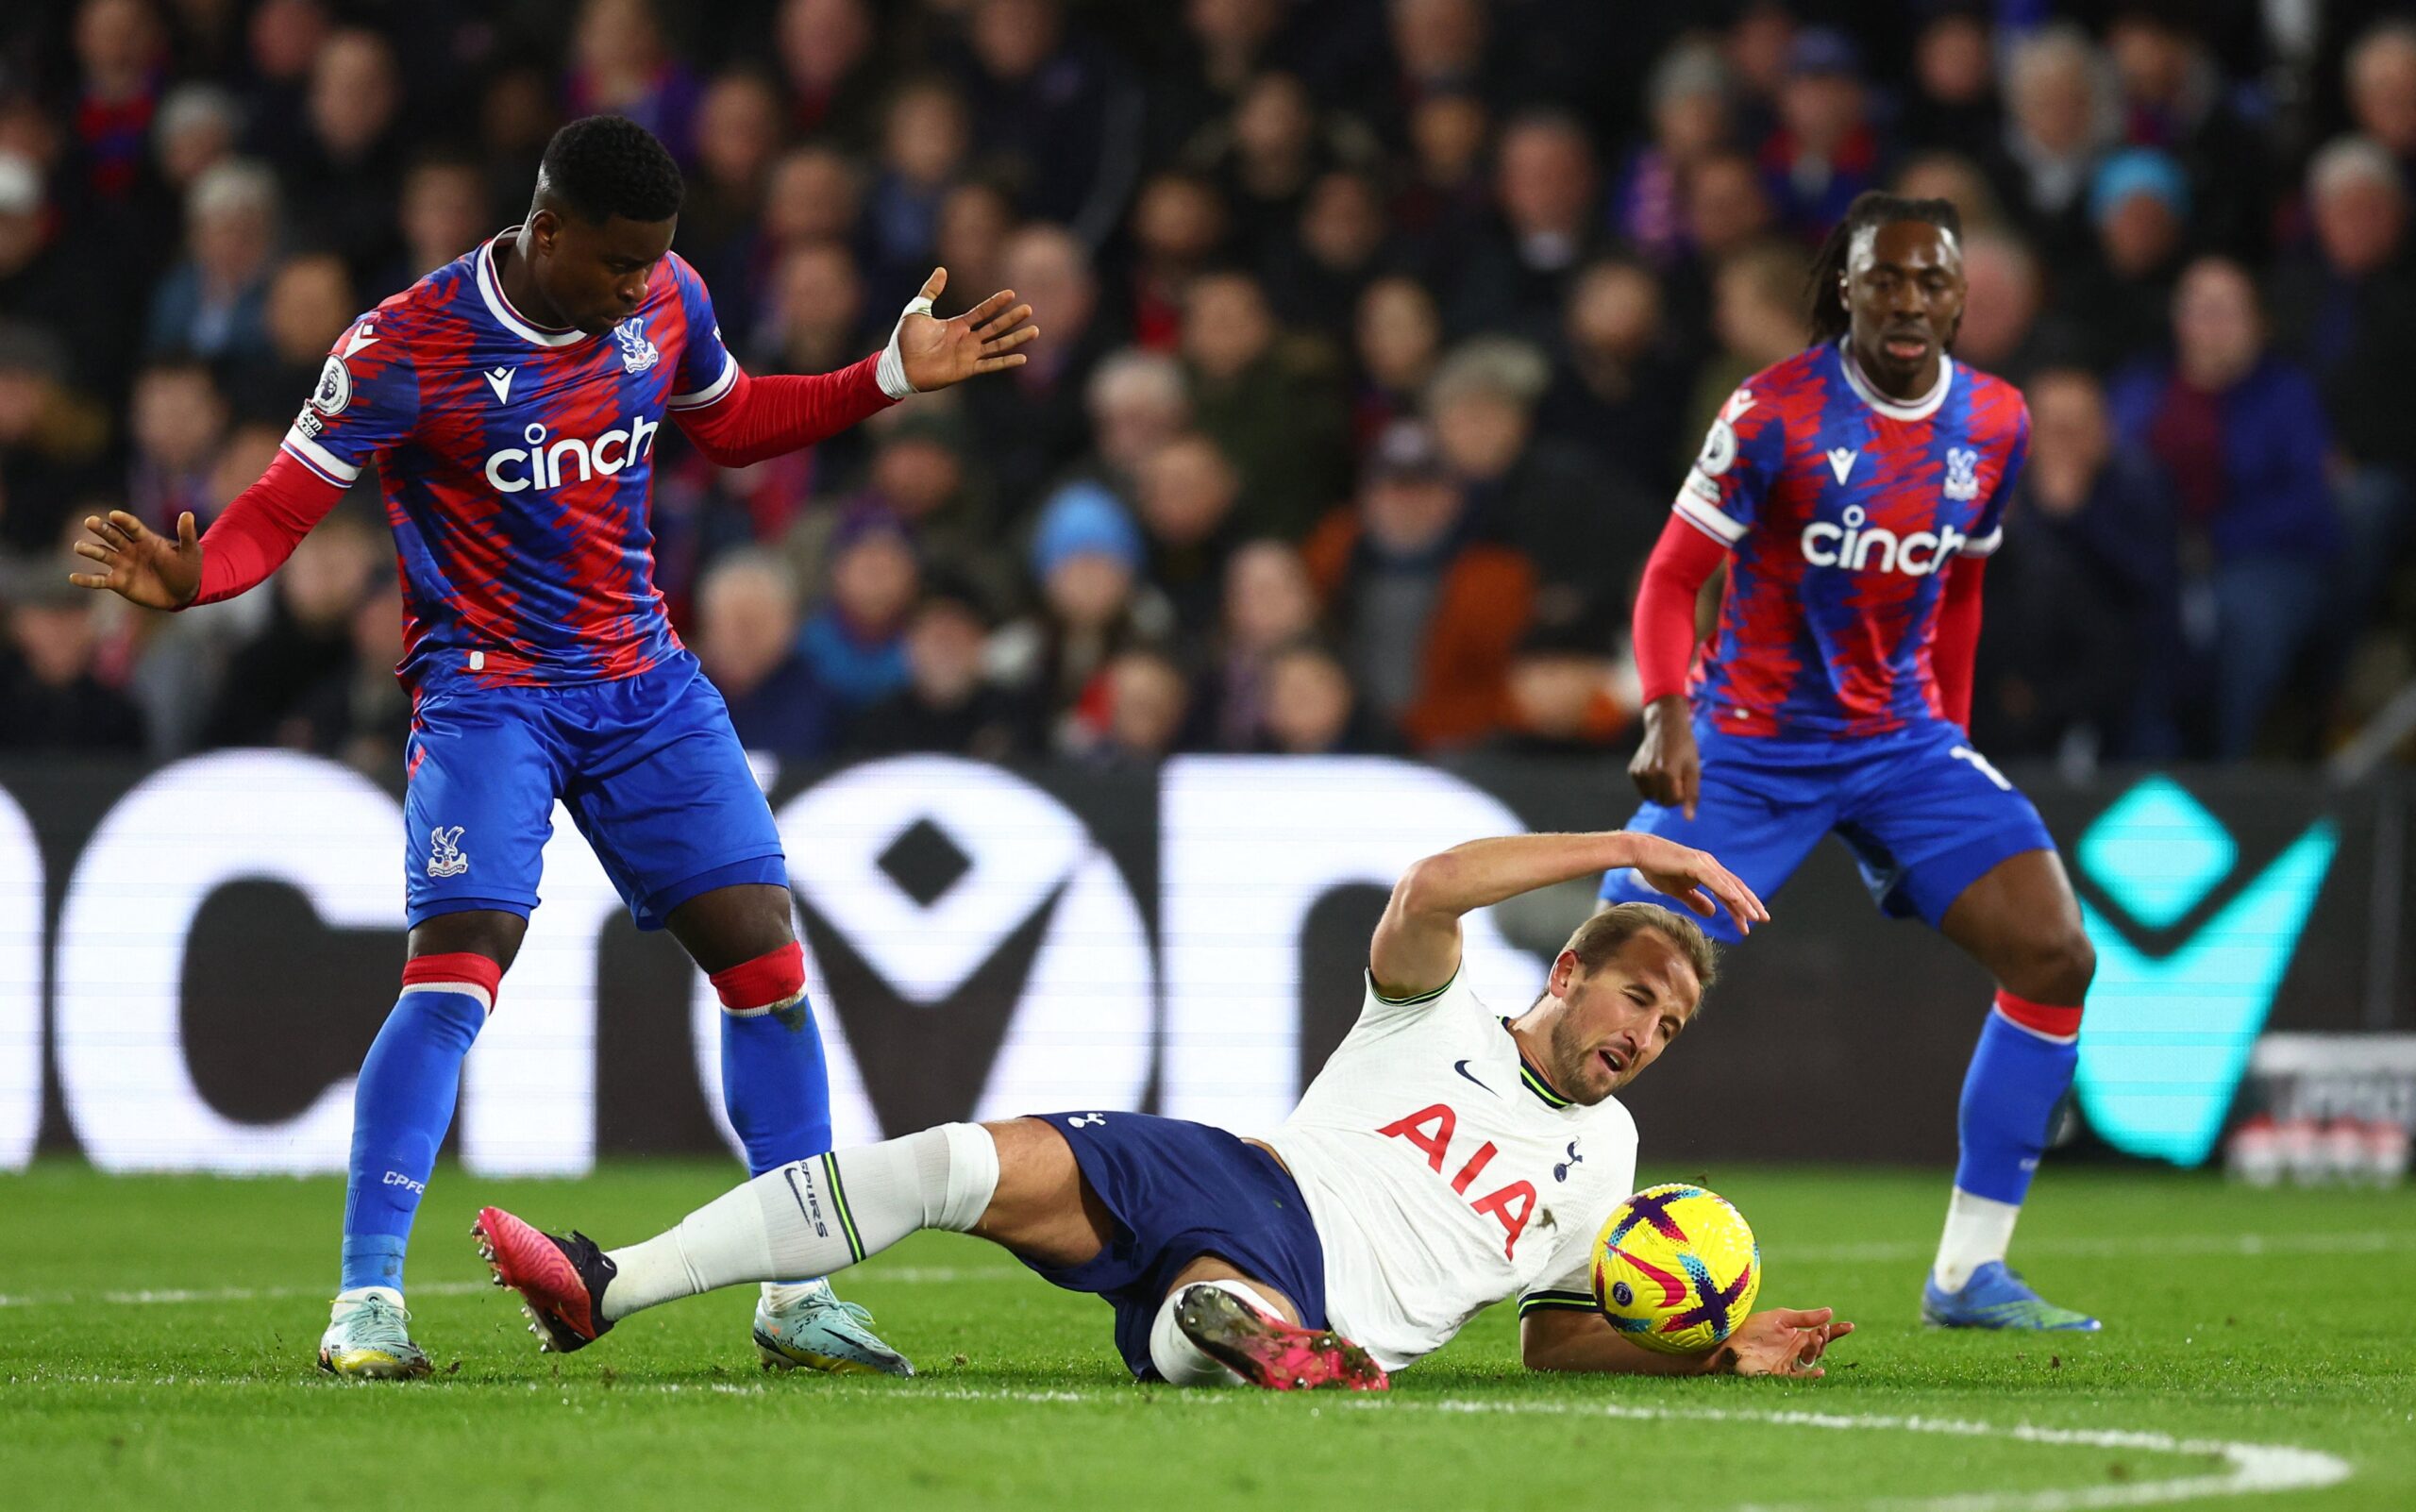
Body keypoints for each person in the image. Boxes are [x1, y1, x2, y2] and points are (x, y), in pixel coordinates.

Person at [65, 115, 1038, 1380]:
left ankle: (799, 1293)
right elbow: (275, 515)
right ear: (546, 230)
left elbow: (733, 422)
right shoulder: (403, 347)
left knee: (771, 971)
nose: (639, 288)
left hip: (645, 682)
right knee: (456, 972)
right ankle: (366, 1301)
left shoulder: (668, 297)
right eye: (618, 264)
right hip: (489, 695)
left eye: (655, 266)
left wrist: (884, 380)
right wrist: (196, 577)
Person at [472, 827, 1852, 1390]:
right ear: (1568, 970)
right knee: (961, 1157)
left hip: (1329, 1290)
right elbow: (1431, 885)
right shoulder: (1432, 1010)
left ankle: (1259, 1339)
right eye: (1635, 998)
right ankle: (610, 1282)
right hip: (1223, 1166)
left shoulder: (1606, 1169)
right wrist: (1626, 845)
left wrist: (1711, 1352)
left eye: (1669, 1025)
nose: (1644, 1036)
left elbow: (1560, 1345)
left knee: (1222, 1310)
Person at [1604, 192, 2104, 1334]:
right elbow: (1672, 577)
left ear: (1961, 295)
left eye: (1933, 281)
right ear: (1845, 287)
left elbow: (1961, 586)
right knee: (1620, 981)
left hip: (1902, 746)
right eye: (1886, 278)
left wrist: (1955, 731)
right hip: (1746, 747)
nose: (1910, 301)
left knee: (2053, 953)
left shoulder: (1995, 421)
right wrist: (1664, 709)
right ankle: (1494, 1219)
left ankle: (1969, 1274)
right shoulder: (1772, 412)